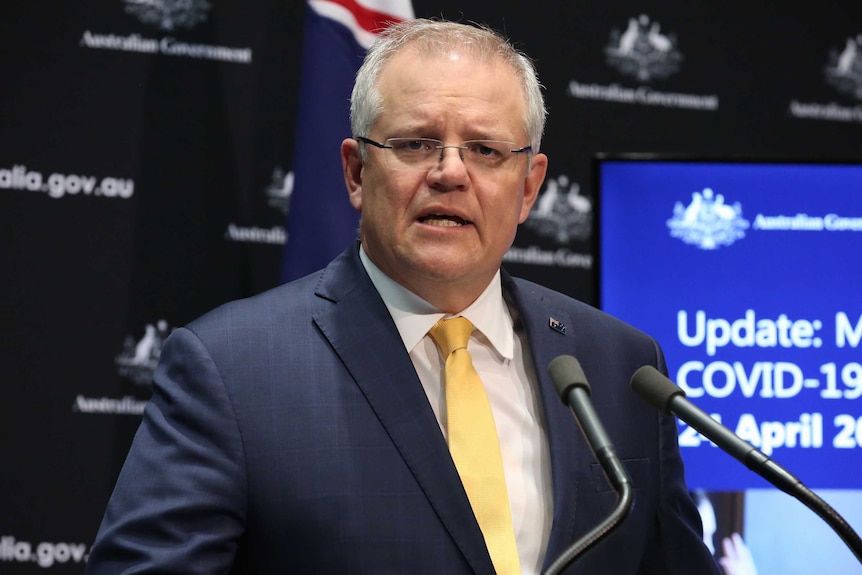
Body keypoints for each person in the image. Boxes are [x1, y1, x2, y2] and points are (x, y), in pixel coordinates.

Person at [86, 19, 722, 575]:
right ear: (358, 172)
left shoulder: (619, 367)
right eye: (416, 143)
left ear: (529, 188)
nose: (450, 171)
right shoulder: (234, 367)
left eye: (485, 149)